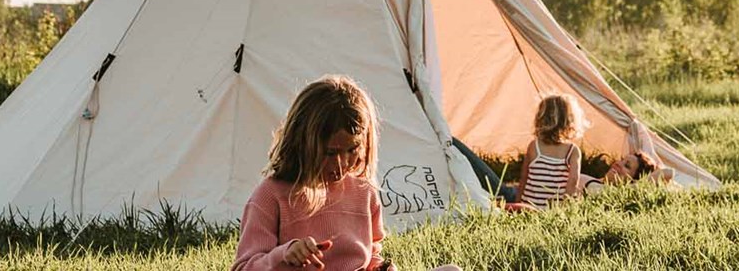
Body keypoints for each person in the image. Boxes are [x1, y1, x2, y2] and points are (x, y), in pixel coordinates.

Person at [233, 75, 462, 271]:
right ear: (303, 144)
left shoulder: (364, 192)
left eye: (352, 150)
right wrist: (285, 254)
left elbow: (371, 256)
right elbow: (244, 267)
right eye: (331, 153)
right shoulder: (270, 196)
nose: (342, 164)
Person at [512, 93, 589, 209]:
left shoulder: (534, 146)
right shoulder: (572, 151)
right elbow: (573, 182)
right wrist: (564, 209)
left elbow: (524, 178)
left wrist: (517, 202)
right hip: (553, 210)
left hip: (528, 208)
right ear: (570, 121)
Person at [579, 151, 675, 194]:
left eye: (627, 166)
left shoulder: (600, 190)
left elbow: (668, 173)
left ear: (633, 180)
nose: (618, 164)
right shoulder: (594, 181)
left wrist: (642, 184)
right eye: (622, 160)